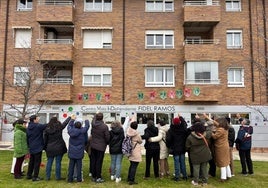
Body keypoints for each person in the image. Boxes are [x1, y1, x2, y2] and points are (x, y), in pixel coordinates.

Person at [44, 115, 71, 181]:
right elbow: (65, 123)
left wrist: (45, 147)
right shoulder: (59, 127)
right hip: (59, 147)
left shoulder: (47, 128)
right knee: (58, 162)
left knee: (49, 162)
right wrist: (69, 118)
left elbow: (45, 139)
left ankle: (47, 177)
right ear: (56, 121)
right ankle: (57, 177)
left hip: (50, 147)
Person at [186, 121, 212, 186]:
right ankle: (205, 181)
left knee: (196, 168)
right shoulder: (207, 135)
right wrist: (206, 125)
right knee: (204, 168)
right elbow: (210, 130)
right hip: (205, 154)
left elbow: (187, 147)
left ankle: (196, 181)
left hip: (195, 155)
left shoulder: (190, 137)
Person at [67, 116, 90, 183]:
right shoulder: (83, 131)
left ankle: (70, 179)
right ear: (81, 126)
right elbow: (87, 127)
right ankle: (79, 179)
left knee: (71, 166)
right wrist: (86, 120)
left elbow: (69, 126)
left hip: (71, 151)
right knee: (79, 166)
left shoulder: (71, 131)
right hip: (79, 151)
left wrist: (72, 120)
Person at [166, 116, 188, 182]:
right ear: (180, 122)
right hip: (182, 148)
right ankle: (184, 176)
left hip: (175, 149)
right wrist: (181, 117)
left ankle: (177, 177)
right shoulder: (183, 129)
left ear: (173, 123)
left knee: (177, 163)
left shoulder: (171, 130)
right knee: (182, 163)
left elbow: (168, 140)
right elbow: (184, 124)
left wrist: (169, 146)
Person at [210, 116, 232, 182]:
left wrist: (210, 131)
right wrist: (207, 117)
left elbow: (214, 137)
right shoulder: (225, 128)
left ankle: (223, 178)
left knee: (222, 162)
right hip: (225, 146)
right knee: (226, 162)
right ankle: (229, 175)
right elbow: (216, 123)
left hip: (221, 147)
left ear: (221, 123)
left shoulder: (220, 129)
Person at [90, 112, 110, 183]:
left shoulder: (93, 124)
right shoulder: (104, 126)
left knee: (93, 161)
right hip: (101, 146)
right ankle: (98, 177)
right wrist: (107, 142)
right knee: (99, 162)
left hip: (93, 145)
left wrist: (96, 114)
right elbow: (107, 137)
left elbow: (93, 120)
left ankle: (93, 176)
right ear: (102, 118)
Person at [26, 115, 47, 181]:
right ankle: (35, 177)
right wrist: (53, 120)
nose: (38, 120)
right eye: (37, 119)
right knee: (37, 162)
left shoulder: (28, 127)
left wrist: (29, 146)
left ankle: (29, 175)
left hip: (31, 147)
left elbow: (27, 138)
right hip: (38, 147)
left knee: (31, 161)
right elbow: (46, 125)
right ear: (34, 120)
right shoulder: (38, 126)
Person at [126, 121, 143, 185]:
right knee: (134, 166)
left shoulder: (128, 132)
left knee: (131, 165)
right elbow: (140, 141)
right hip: (136, 150)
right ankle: (131, 180)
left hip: (130, 150)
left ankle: (129, 177)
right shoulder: (137, 134)